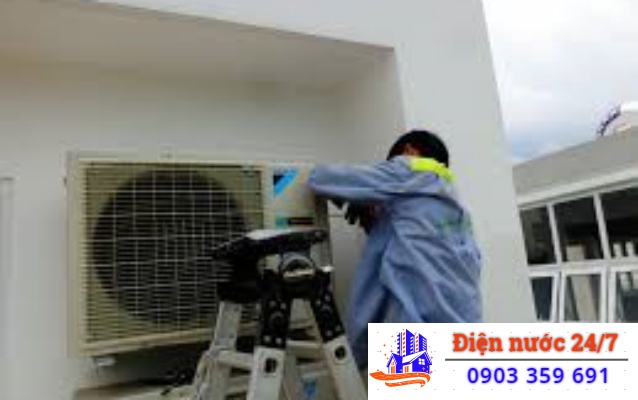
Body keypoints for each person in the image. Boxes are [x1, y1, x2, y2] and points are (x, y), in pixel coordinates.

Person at [306, 129, 482, 370]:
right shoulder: (452, 202)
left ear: (409, 151)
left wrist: (356, 351)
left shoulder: (410, 169)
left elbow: (320, 179)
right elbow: (412, 247)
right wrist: (376, 214)